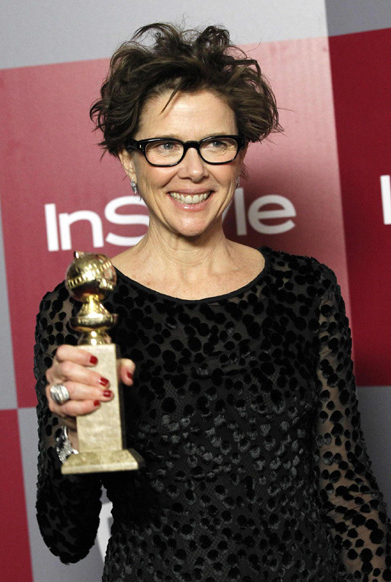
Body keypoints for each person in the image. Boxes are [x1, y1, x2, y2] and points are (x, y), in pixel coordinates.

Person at [34, 22, 391, 582]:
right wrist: (72, 432)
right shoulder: (80, 306)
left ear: (240, 155)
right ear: (129, 159)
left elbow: (345, 485)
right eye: (165, 145)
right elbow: (67, 539)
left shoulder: (305, 290)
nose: (193, 168)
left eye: (215, 144)